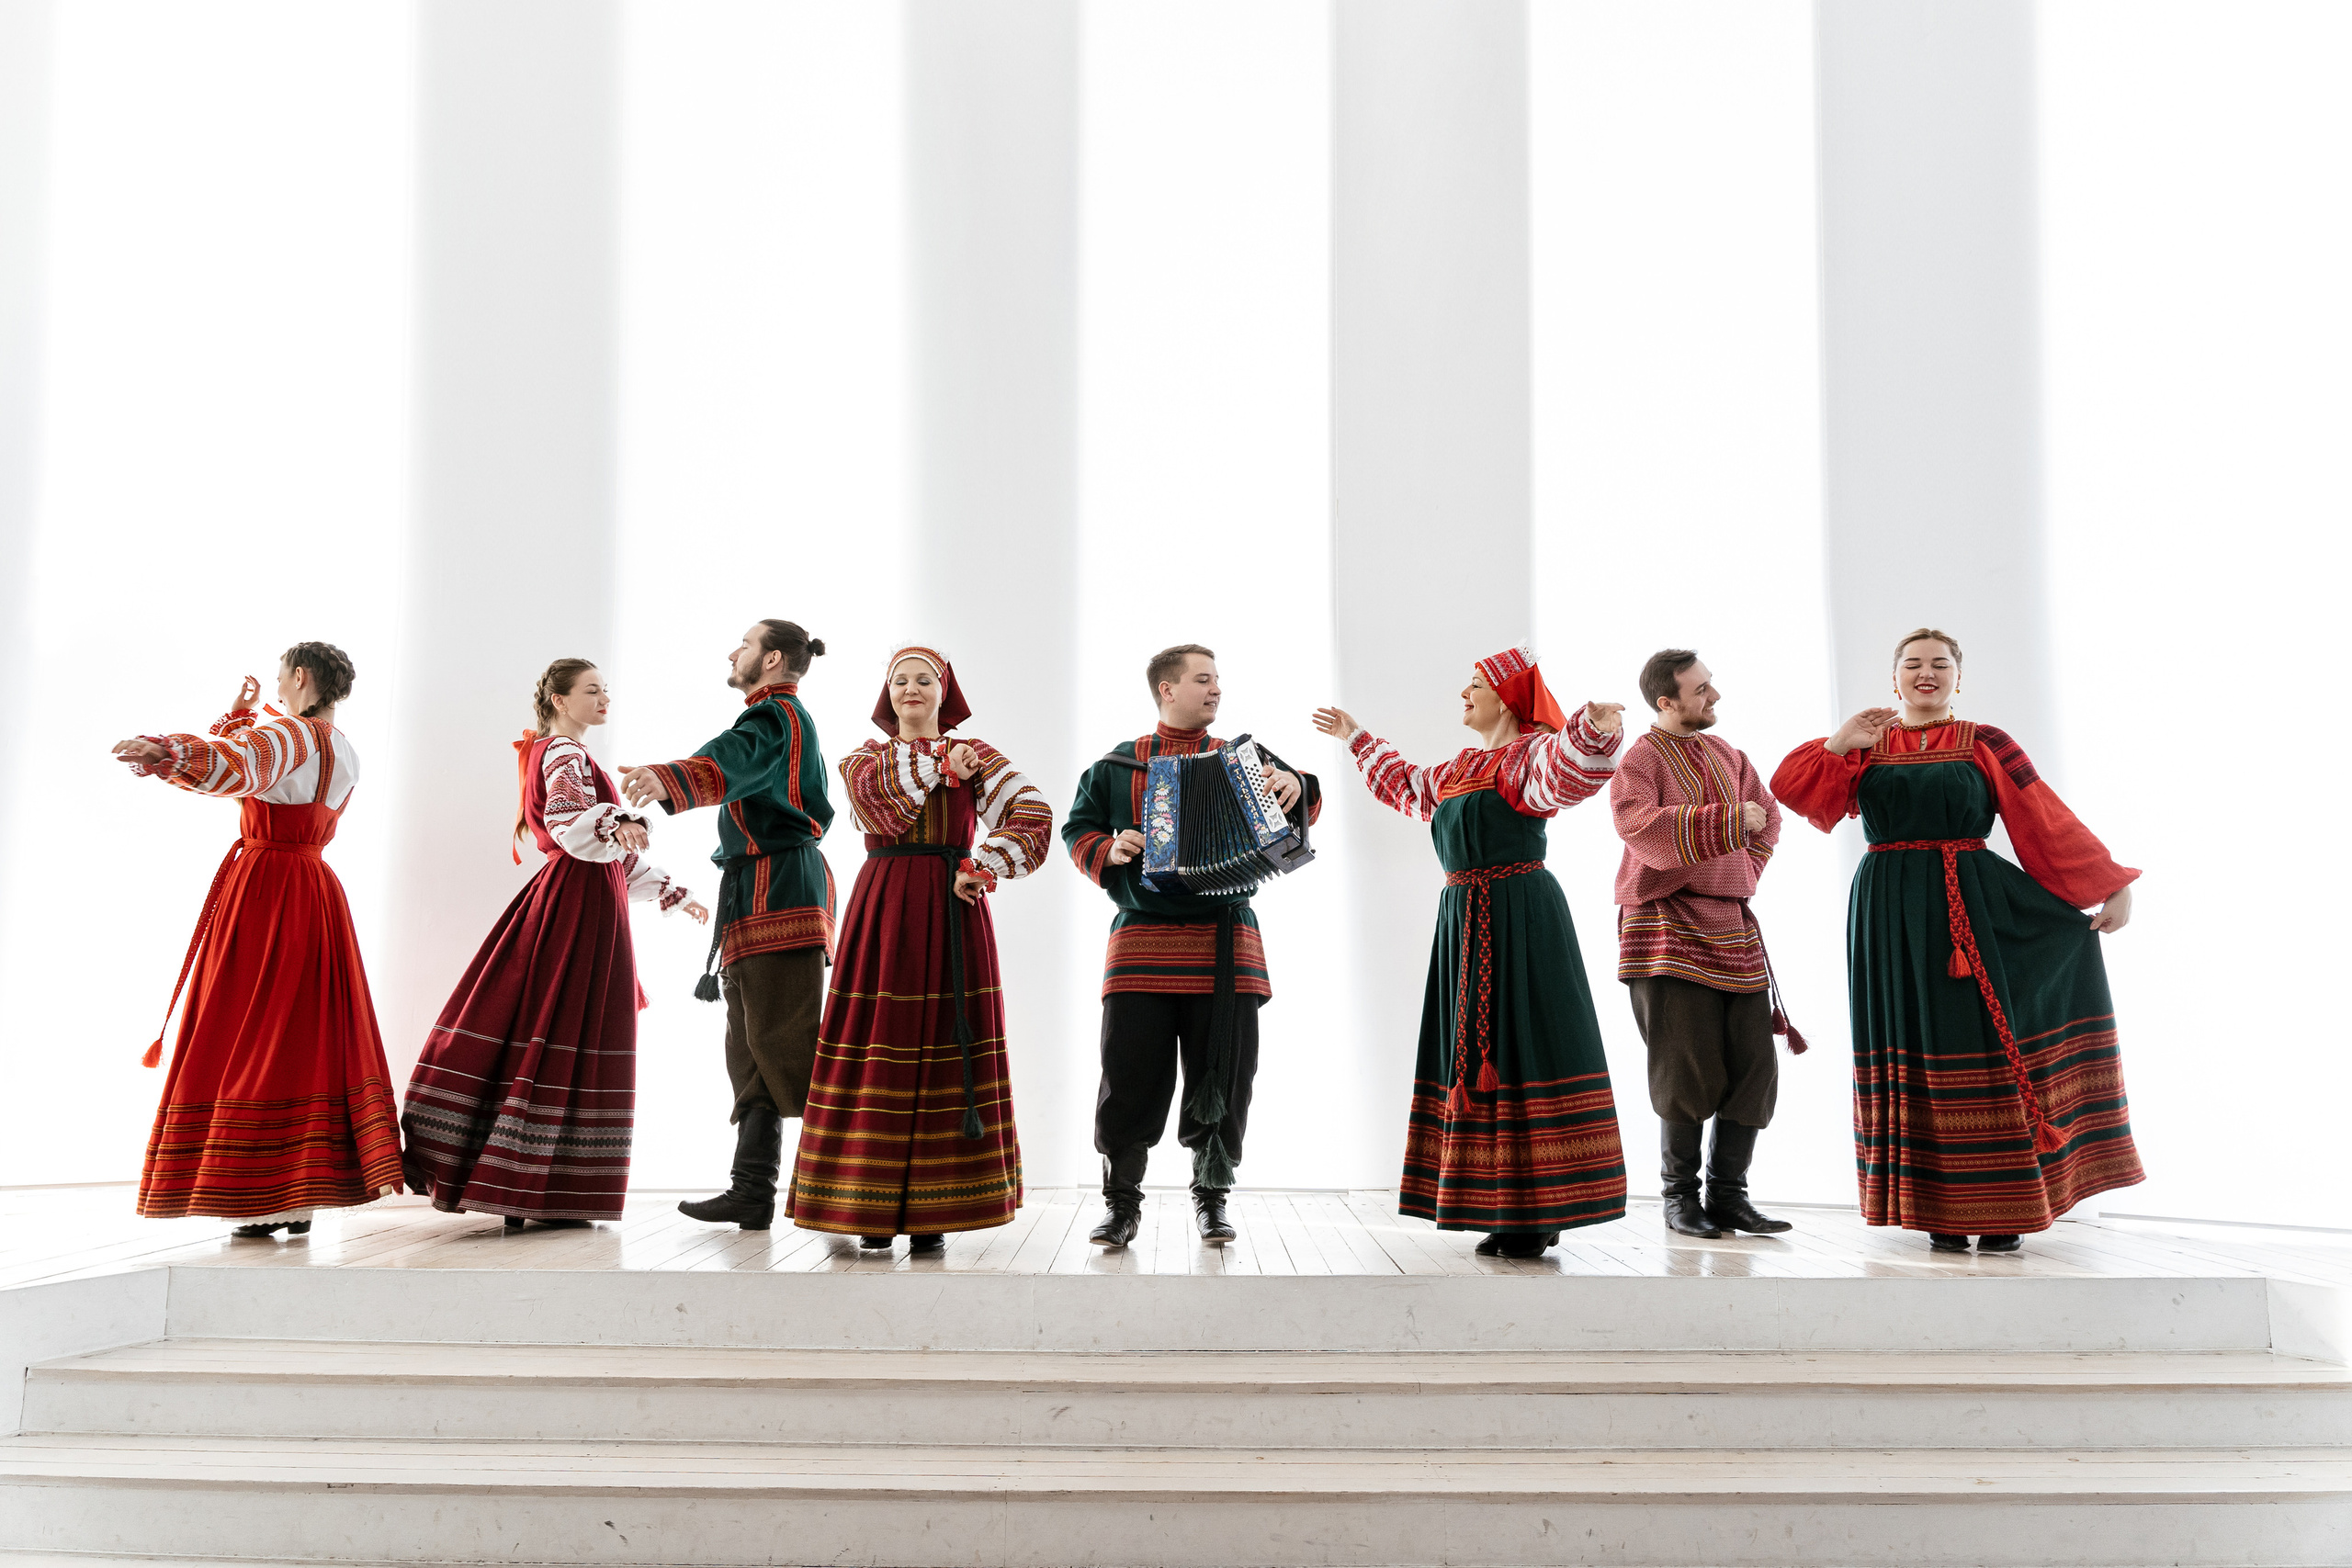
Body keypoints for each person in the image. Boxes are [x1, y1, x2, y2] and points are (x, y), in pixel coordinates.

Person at [1771, 627, 2143, 1253]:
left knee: (1982, 1042)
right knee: (1911, 1041)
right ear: (1894, 678)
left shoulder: (1987, 742)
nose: (1926, 673)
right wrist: (1840, 741)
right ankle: (1937, 1209)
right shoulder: (1867, 743)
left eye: (1940, 664)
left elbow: (2042, 817)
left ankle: (2004, 1208)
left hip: (1971, 899)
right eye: (1912, 664)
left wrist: (2111, 885)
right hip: (1888, 908)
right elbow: (1793, 791)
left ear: (1958, 676)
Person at [1314, 648, 1630, 1258]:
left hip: (1521, 915)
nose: (1465, 691)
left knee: (1525, 1048)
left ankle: (1540, 1209)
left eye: (1478, 683)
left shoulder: (1528, 758)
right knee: (1481, 1054)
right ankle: (1504, 1203)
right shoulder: (1458, 768)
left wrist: (1595, 726)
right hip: (1465, 918)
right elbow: (1404, 782)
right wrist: (1356, 737)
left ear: (1509, 699)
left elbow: (1572, 768)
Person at [400, 660, 707, 1230]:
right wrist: (622, 820)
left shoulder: (565, 753)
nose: (604, 698)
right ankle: (531, 1184)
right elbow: (572, 824)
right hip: (576, 908)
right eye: (592, 690)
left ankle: (538, 1185)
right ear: (560, 700)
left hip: (588, 899)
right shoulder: (563, 753)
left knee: (559, 1030)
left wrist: (669, 889)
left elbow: (600, 842)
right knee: (561, 1030)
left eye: (606, 690)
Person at [111, 644, 403, 1237]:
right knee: (298, 1030)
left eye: (279, 678)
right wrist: (238, 718)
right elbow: (266, 769)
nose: (276, 688)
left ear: (300, 677)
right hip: (315, 888)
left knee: (250, 1025)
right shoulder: (342, 747)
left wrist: (168, 751)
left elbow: (240, 768)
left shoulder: (290, 735)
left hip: (267, 889)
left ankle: (263, 1197)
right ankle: (298, 1194)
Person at [786, 646, 1053, 1253]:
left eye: (923, 678)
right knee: (878, 1040)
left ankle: (935, 1210)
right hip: (883, 905)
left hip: (953, 906)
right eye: (900, 679)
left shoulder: (977, 754)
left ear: (944, 689)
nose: (911, 687)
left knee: (941, 1043)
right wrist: (943, 765)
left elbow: (1033, 812)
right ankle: (865, 1205)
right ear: (888, 693)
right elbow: (868, 799)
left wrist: (982, 863)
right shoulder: (865, 758)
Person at [1063, 644, 1317, 1248]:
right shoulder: (1114, 767)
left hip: (1226, 944)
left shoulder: (1245, 760)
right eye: (1204, 679)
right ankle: (1121, 1203)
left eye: (1218, 679)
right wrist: (1111, 847)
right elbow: (1079, 829)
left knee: (1225, 1080)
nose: (1216, 689)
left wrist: (1295, 782)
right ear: (1166, 689)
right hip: (1141, 946)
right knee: (1127, 1077)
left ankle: (1212, 1199)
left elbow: (1304, 803)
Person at [619, 620, 835, 1231]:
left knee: (789, 1046)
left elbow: (734, 757)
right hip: (755, 892)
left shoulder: (775, 717)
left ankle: (861, 1187)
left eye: (743, 642)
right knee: (751, 1049)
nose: (732, 651)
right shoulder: (773, 716)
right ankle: (752, 1188)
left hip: (781, 891)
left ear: (770, 658)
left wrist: (672, 777)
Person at [1611, 649, 1803, 1241]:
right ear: (1665, 701)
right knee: (1686, 1066)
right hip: (1663, 927)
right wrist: (1727, 823)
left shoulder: (1730, 755)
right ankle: (1678, 1199)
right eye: (1700, 690)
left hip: (1732, 924)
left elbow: (1766, 817)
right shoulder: (1638, 762)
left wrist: (1738, 870)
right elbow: (1643, 829)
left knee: (1754, 1066)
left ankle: (1728, 1197)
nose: (1713, 696)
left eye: (1711, 685)